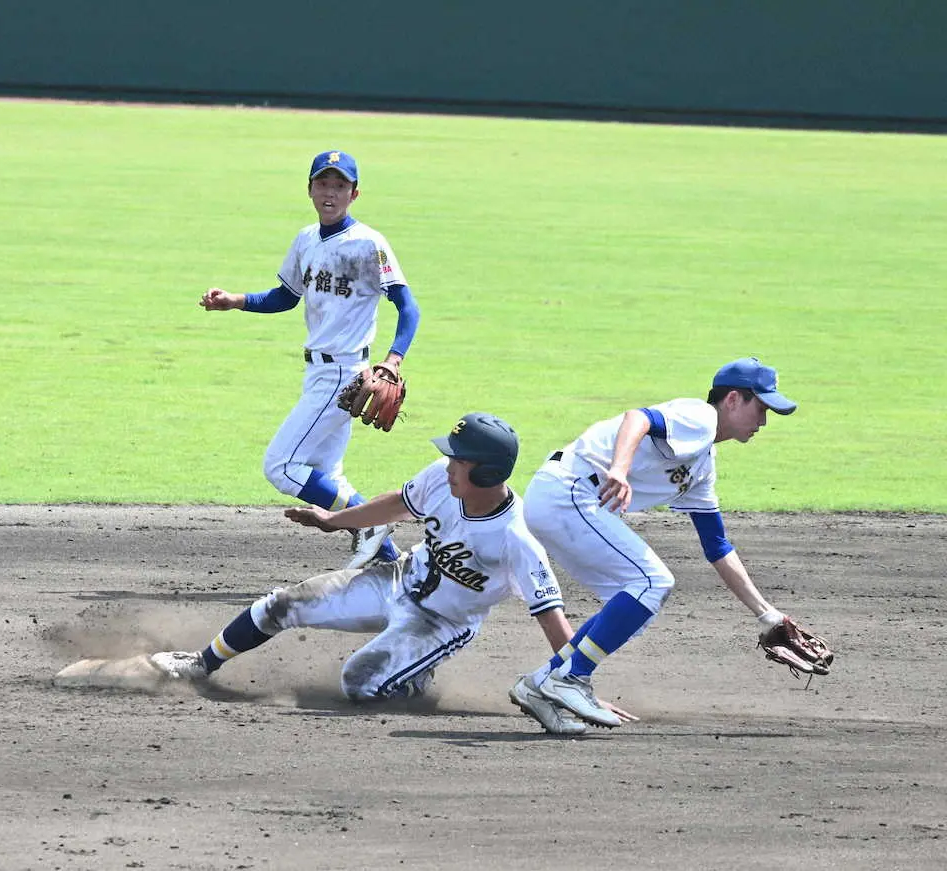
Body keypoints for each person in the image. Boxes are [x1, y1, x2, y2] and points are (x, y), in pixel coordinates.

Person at [150, 413, 588, 734]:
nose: (449, 464)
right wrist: (336, 520)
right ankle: (201, 663)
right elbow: (400, 502)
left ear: (488, 473)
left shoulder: (518, 538)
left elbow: (551, 616)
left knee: (359, 684)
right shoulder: (442, 478)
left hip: (440, 624)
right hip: (396, 579)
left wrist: (573, 681)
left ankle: (415, 676)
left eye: (460, 460)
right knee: (285, 603)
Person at [509, 357, 807, 733]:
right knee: (653, 582)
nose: (763, 421)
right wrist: (619, 468)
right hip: (568, 490)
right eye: (761, 407)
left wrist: (766, 613)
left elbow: (716, 545)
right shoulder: (700, 417)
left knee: (632, 603)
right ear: (733, 399)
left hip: (566, 499)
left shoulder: (702, 464)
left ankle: (540, 683)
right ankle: (570, 678)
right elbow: (638, 418)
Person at [199, 150, 420, 569]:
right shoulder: (306, 239)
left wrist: (393, 360)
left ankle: (369, 524)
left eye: (340, 185)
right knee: (327, 476)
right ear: (310, 189)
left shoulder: (368, 244)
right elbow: (286, 296)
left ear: (355, 194)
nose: (330, 193)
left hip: (345, 374)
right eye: (323, 184)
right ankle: (393, 564)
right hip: (317, 371)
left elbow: (408, 308)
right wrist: (235, 301)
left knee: (281, 466)